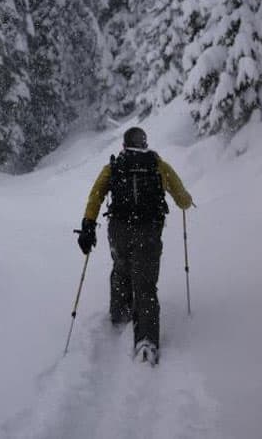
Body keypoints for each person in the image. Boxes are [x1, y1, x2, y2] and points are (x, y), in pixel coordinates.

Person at [77, 126, 193, 365]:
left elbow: (95, 196)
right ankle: (146, 342)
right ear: (144, 144)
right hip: (149, 231)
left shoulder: (114, 166)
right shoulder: (158, 165)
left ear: (123, 145)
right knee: (146, 284)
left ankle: (119, 314)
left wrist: (88, 224)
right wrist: (187, 201)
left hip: (119, 230)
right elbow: (182, 199)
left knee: (121, 269)